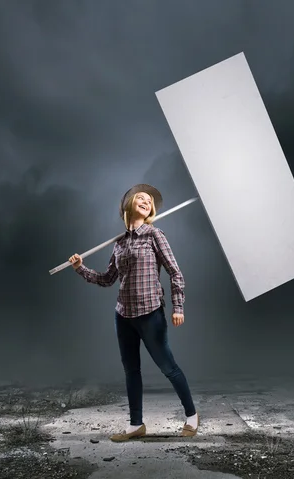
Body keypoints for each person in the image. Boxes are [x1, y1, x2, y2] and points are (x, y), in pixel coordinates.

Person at [68, 184, 199, 441]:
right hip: (123, 315)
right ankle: (136, 424)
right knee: (131, 370)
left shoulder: (154, 235)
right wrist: (80, 268)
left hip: (150, 313)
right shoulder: (118, 244)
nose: (146, 201)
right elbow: (107, 279)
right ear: (128, 205)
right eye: (140, 197)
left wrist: (178, 306)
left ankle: (192, 416)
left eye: (149, 201)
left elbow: (175, 272)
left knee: (168, 367)